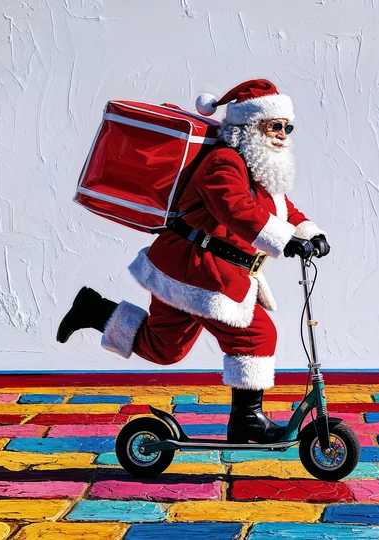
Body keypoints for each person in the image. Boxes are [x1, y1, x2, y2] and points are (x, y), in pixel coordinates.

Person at [56, 79, 330, 444]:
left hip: (192, 268)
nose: (282, 134)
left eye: (286, 126)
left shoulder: (259, 169)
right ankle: (247, 421)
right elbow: (233, 208)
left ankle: (95, 310)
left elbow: (282, 208)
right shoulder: (223, 162)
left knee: (164, 348)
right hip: (197, 267)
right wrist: (284, 241)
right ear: (248, 126)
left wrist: (309, 232)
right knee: (255, 334)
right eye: (273, 126)